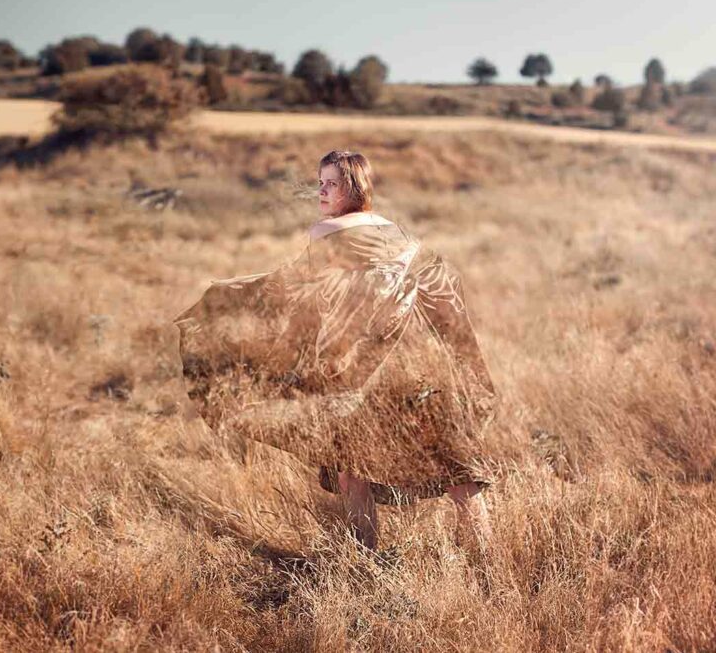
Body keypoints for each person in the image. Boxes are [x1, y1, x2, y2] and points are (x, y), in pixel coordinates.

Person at [173, 150, 497, 551]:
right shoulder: (397, 232)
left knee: (351, 469)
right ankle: (489, 572)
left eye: (332, 183)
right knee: (458, 472)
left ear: (355, 187)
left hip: (361, 369)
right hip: (422, 363)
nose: (322, 191)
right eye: (320, 182)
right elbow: (441, 284)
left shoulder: (325, 231)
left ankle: (367, 566)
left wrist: (233, 295)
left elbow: (293, 290)